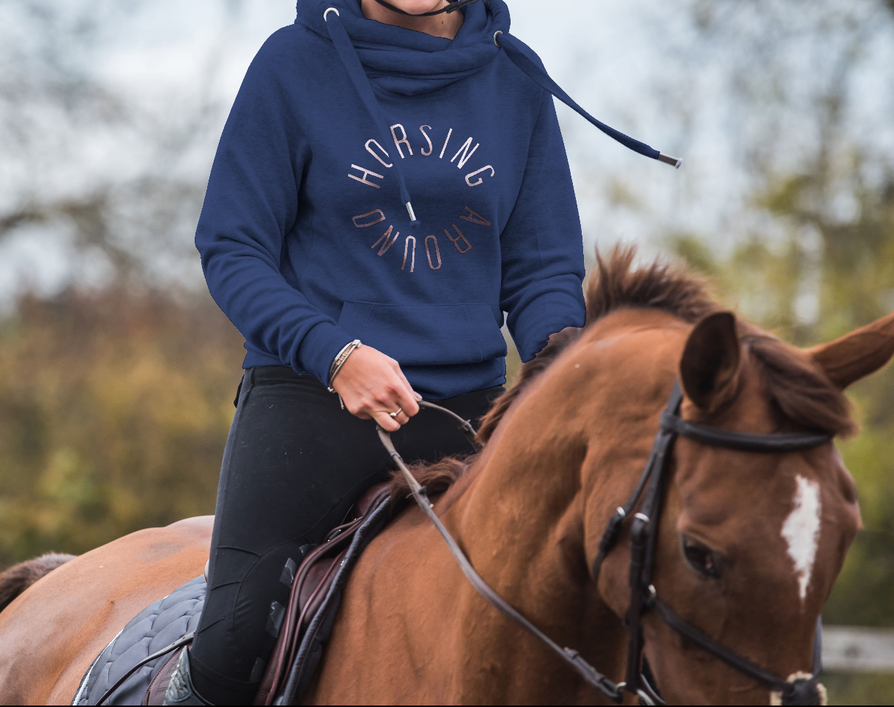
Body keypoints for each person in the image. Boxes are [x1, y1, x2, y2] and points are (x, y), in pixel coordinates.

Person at [166, 0, 678, 704]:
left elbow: (542, 267)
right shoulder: (291, 66)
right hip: (311, 403)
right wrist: (336, 352)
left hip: (469, 414)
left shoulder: (513, 77)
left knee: (624, 629)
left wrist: (563, 366)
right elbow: (233, 247)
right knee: (231, 643)